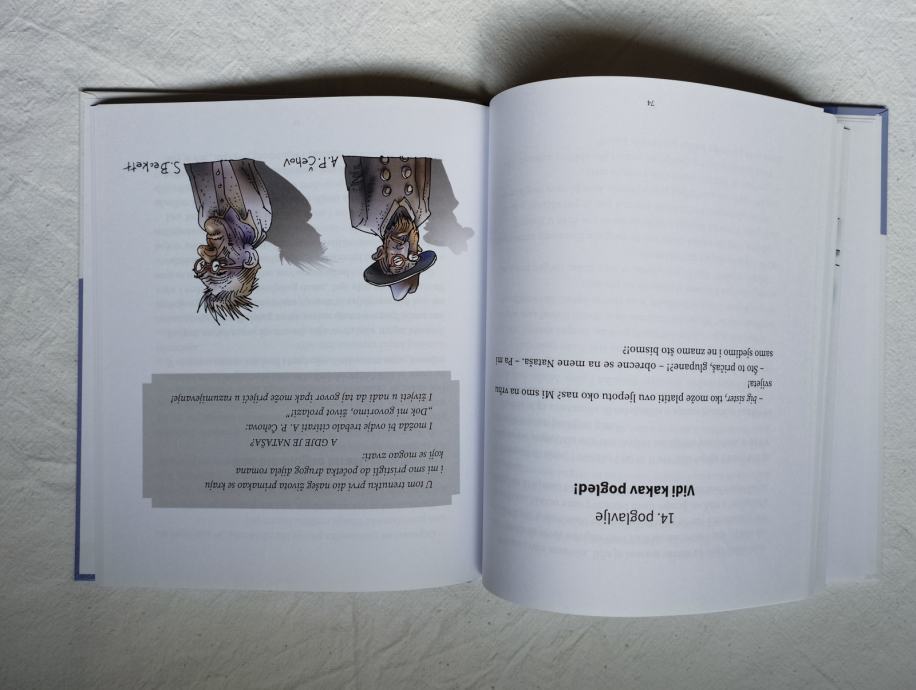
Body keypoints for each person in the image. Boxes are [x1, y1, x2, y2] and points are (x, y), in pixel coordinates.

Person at [186, 160, 272, 322]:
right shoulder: (260, 215)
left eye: (202, 266)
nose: (202, 251)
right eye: (218, 266)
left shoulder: (204, 218)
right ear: (249, 257)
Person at [344, 156, 437, 301]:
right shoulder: (422, 210)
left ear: (382, 255)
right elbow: (422, 160)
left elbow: (354, 165)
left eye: (397, 261)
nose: (404, 248)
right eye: (412, 257)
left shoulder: (362, 219)